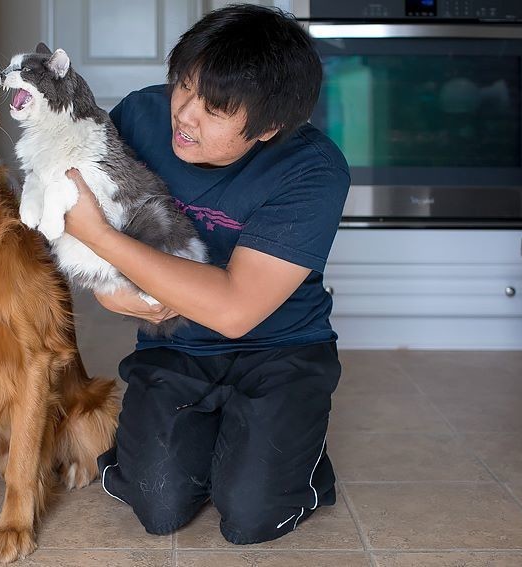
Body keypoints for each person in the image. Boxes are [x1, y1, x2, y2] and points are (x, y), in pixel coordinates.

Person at [61, 4, 350, 545]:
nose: (186, 115)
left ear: (268, 127)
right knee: (157, 505)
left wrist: (104, 240)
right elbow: (74, 210)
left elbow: (235, 310)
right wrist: (107, 286)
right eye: (184, 86)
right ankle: (221, 434)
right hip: (177, 344)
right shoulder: (138, 118)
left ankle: (298, 453)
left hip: (281, 349)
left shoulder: (314, 168)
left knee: (250, 517)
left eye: (215, 108)